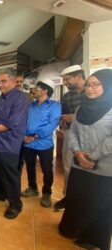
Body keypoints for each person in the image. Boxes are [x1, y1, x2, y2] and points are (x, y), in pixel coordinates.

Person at [59, 69, 112, 250]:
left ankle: (96, 240)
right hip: (79, 164)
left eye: (96, 85)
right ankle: (75, 231)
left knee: (100, 204)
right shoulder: (82, 108)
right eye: (88, 85)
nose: (90, 89)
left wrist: (91, 156)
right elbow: (72, 131)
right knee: (78, 199)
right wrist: (78, 153)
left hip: (104, 166)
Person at [0, 69, 29, 219]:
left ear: (13, 81)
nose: (0, 85)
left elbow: (11, 123)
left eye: (3, 81)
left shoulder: (21, 98)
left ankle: (15, 204)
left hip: (8, 143)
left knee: (10, 175)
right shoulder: (0, 98)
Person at [20, 79, 61, 208]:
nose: (33, 90)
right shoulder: (30, 106)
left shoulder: (55, 106)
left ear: (45, 90)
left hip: (44, 144)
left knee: (47, 169)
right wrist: (24, 137)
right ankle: (32, 188)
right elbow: (23, 121)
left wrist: (33, 137)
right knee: (30, 168)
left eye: (36, 88)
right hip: (27, 143)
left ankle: (47, 193)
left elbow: (52, 124)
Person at [54, 65, 85, 211]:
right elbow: (64, 116)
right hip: (70, 134)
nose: (65, 83)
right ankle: (67, 197)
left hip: (91, 137)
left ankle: (85, 200)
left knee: (87, 169)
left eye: (67, 80)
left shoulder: (93, 93)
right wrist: (63, 121)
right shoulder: (66, 96)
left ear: (78, 76)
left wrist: (75, 117)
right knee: (68, 167)